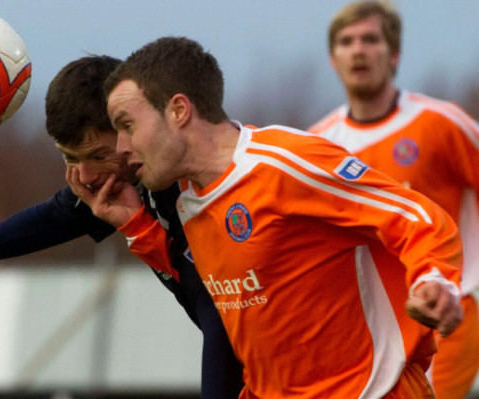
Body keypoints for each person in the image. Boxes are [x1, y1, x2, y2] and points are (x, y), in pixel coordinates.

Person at [88, 36, 464, 398]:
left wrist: (432, 278)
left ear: (179, 111)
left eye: (127, 125)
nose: (121, 148)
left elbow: (415, 215)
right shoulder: (188, 197)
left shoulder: (283, 165)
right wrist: (136, 226)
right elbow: (206, 294)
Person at [0, 55, 244, 398]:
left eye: (98, 154)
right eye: (70, 158)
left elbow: (224, 307)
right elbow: (52, 218)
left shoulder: (202, 181)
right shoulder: (124, 180)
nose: (87, 175)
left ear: (129, 127)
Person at [307, 2, 479, 398]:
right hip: (366, 331)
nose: (359, 50)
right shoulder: (319, 144)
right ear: (334, 59)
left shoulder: (440, 122)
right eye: (347, 42)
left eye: (370, 39)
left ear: (394, 54)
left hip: (445, 314)